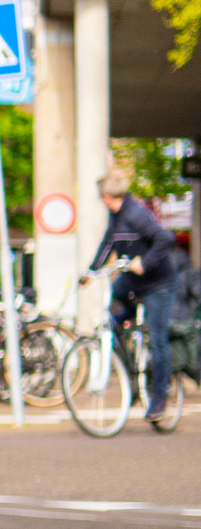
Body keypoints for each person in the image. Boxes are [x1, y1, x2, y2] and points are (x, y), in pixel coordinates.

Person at [87, 169, 184, 425]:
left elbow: (166, 238)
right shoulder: (116, 215)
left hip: (158, 282)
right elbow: (108, 242)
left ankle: (159, 398)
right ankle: (129, 363)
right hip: (132, 280)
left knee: (157, 338)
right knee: (112, 308)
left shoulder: (136, 214)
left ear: (107, 197)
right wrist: (91, 270)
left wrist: (146, 261)